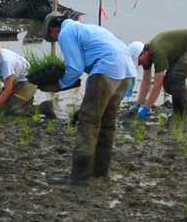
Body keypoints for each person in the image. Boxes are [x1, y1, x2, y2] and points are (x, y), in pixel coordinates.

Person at [42, 12, 137, 185]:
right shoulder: (87, 26)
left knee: (89, 121)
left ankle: (79, 177)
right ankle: (100, 172)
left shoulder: (66, 31)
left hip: (107, 67)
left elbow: (75, 67)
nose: (56, 40)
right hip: (127, 72)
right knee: (106, 122)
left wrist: (59, 85)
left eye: (53, 37)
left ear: (53, 29)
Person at [129, 29, 187, 119]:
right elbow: (146, 81)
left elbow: (157, 85)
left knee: (175, 77)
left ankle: (178, 115)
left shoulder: (158, 53)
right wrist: (138, 105)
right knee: (168, 84)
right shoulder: (146, 55)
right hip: (183, 49)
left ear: (143, 53)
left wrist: (146, 109)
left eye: (138, 61)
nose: (138, 64)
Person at [0, 38, 56, 120]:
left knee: (11, 110)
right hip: (16, 81)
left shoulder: (6, 62)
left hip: (28, 81)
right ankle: (25, 101)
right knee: (0, 110)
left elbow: (8, 89)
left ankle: (43, 108)